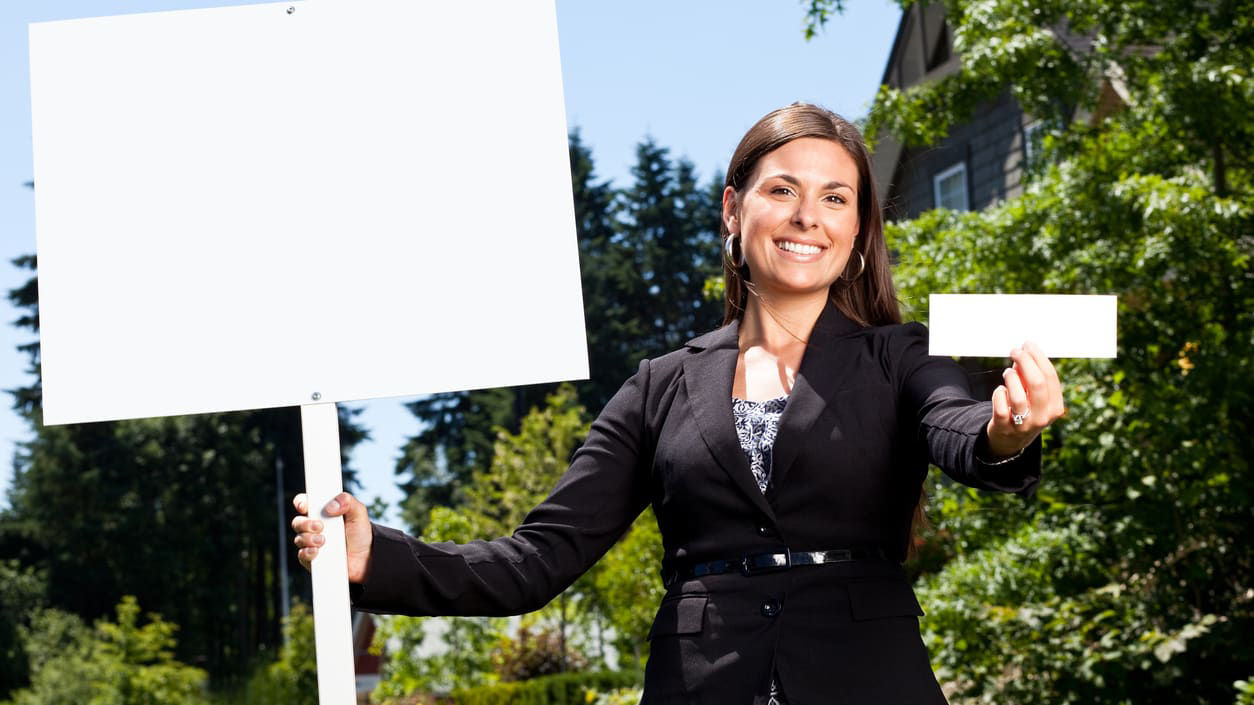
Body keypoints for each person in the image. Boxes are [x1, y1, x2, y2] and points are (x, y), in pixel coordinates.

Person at [291, 103, 1065, 704]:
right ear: (733, 211)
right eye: (783, 189)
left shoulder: (901, 354)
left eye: (836, 197)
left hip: (869, 675)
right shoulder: (659, 384)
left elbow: (960, 426)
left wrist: (1006, 431)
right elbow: (536, 561)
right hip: (698, 682)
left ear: (858, 231)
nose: (808, 216)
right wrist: (376, 555)